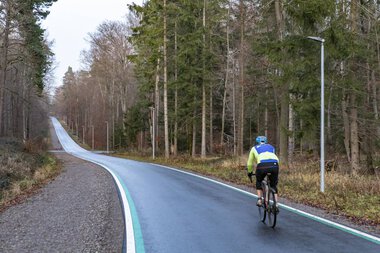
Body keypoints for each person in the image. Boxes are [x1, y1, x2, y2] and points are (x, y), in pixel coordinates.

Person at [247, 136, 279, 208]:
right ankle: (276, 203)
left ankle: (259, 199)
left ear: (257, 142)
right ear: (266, 141)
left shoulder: (254, 148)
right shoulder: (271, 147)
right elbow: (273, 157)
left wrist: (249, 172)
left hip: (262, 165)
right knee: (273, 185)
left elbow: (249, 163)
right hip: (275, 165)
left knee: (259, 180)